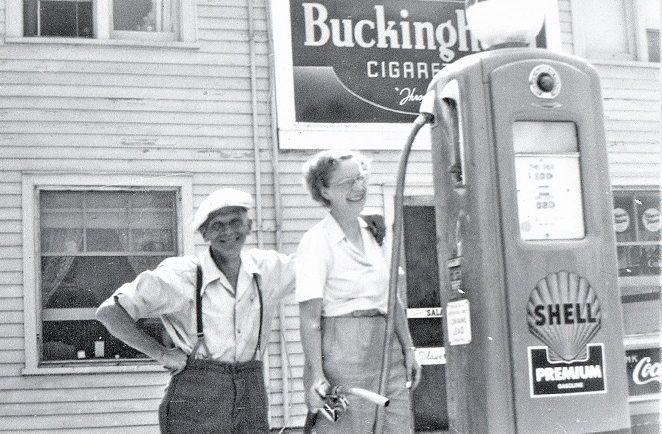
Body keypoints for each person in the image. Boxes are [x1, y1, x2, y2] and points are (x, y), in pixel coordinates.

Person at [96, 188, 295, 433]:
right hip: (197, 396)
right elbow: (109, 312)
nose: (229, 231)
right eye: (218, 225)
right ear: (205, 233)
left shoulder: (268, 268)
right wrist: (161, 354)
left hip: (251, 393)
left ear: (249, 225)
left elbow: (318, 268)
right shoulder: (181, 275)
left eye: (235, 222)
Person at [296, 149, 421, 433]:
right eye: (345, 183)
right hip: (342, 350)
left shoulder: (374, 234)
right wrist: (316, 374)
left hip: (388, 347)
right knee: (349, 428)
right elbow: (310, 319)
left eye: (360, 178)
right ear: (324, 191)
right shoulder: (316, 241)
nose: (358, 188)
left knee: (397, 426)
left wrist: (409, 349)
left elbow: (393, 300)